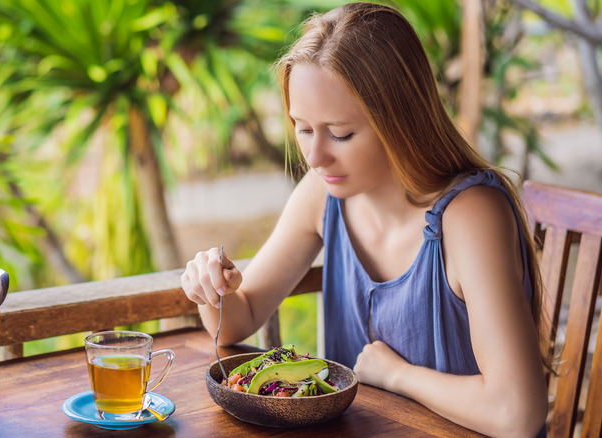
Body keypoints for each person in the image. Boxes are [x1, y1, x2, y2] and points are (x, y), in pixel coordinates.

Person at [180, 2, 549, 437]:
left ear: (401, 120)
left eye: (340, 134)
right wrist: (211, 287)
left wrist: (397, 375)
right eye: (302, 128)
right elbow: (239, 321)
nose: (315, 157)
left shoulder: (470, 215)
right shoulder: (322, 197)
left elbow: (518, 415)